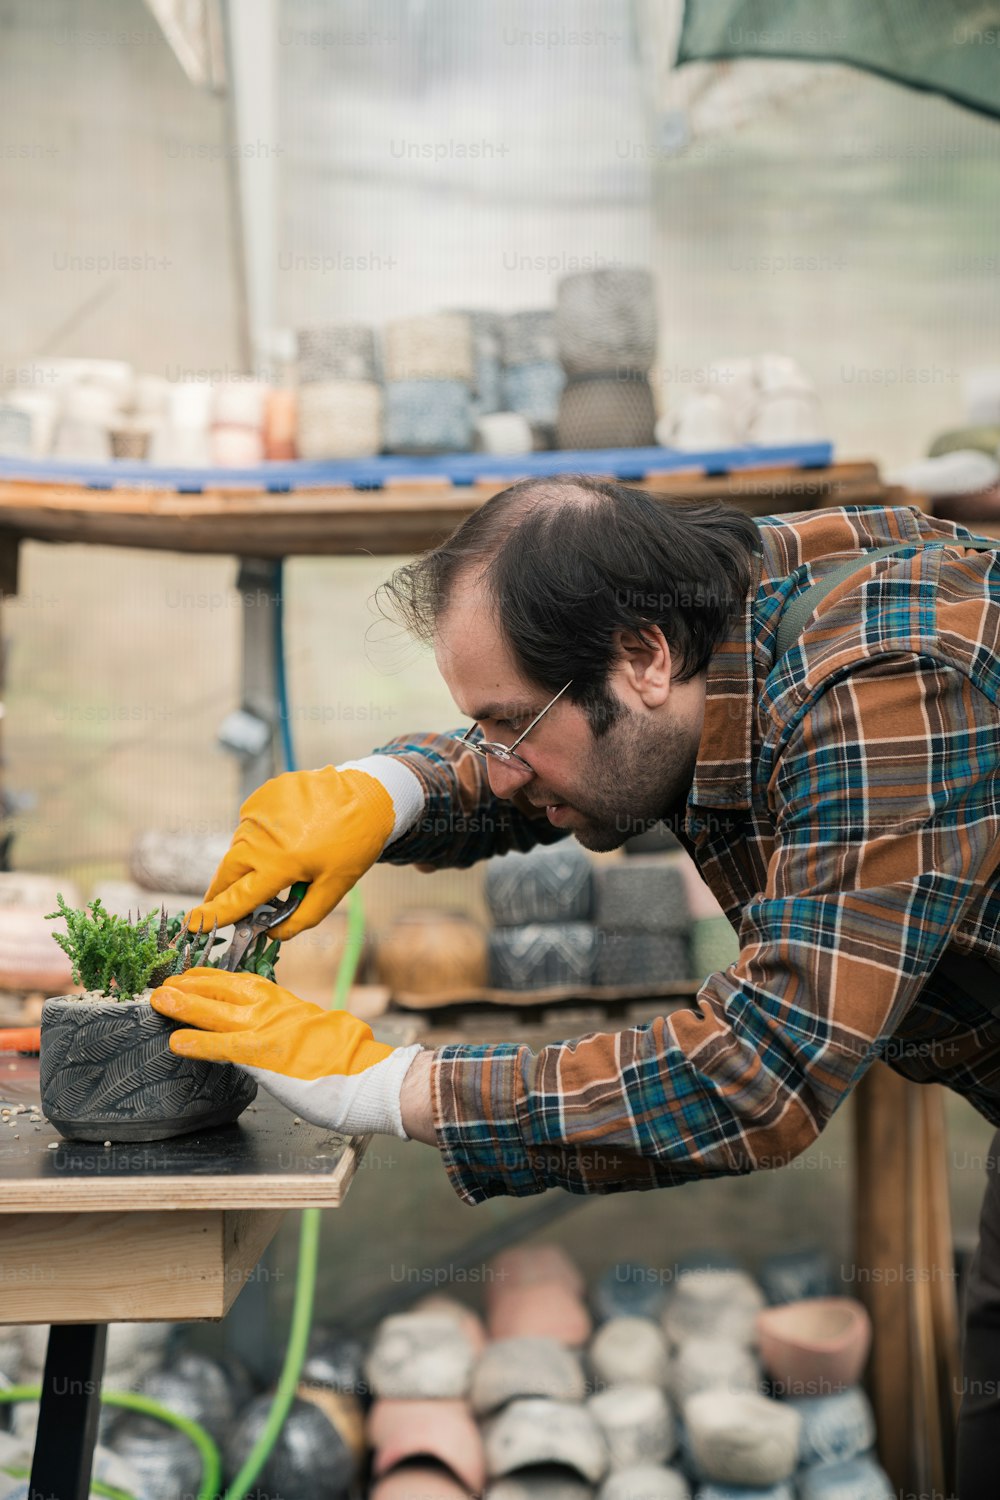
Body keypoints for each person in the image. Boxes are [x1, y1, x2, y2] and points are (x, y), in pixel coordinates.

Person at [151, 475, 1000, 1489]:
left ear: (642, 656)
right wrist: (388, 790)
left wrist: (394, 1088)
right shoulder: (717, 611)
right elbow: (570, 764)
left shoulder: (888, 683)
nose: (498, 762)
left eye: (509, 720)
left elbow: (755, 1074)